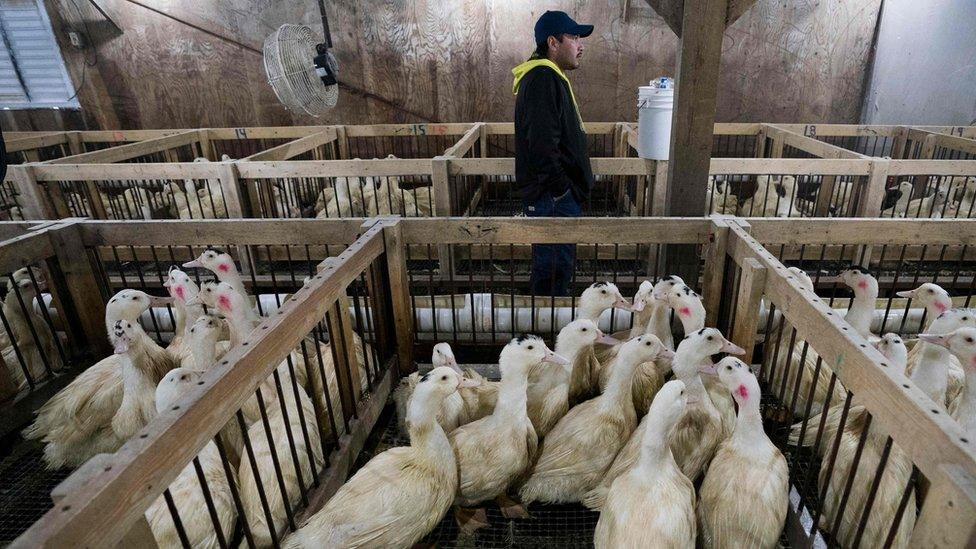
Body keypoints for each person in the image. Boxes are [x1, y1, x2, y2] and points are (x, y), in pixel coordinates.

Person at [512, 10, 594, 296]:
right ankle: (547, 333)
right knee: (553, 269)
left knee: (556, 266)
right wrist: (562, 191)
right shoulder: (542, 80)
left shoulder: (546, 77)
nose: (580, 45)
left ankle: (550, 327)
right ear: (553, 42)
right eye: (573, 37)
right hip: (552, 198)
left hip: (554, 196)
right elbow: (542, 147)